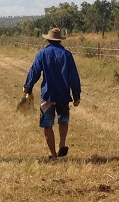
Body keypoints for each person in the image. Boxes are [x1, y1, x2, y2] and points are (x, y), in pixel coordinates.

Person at [23, 28, 81, 160]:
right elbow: (74, 77)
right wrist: (76, 96)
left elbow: (34, 72)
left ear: (48, 39)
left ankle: (54, 155)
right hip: (63, 94)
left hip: (48, 94)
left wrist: (27, 87)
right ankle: (62, 143)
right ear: (60, 40)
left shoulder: (42, 54)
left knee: (47, 124)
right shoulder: (67, 55)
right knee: (63, 120)